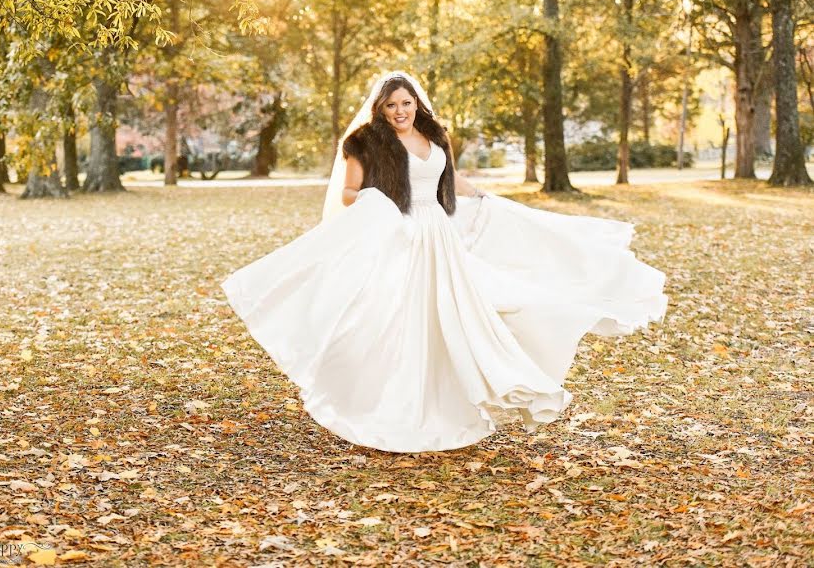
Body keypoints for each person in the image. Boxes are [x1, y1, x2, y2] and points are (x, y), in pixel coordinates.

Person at [221, 70, 667, 453]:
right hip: (400, 236)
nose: (400, 111)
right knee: (399, 321)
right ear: (380, 107)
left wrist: (487, 199)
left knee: (450, 318)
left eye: (406, 103)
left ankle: (449, 405)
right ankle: (379, 405)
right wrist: (382, 204)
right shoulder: (363, 142)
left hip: (439, 236)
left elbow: (448, 177)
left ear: (416, 104)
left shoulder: (434, 135)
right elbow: (348, 193)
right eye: (391, 105)